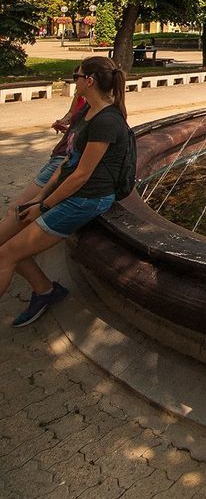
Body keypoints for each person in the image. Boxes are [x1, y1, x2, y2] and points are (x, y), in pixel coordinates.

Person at [1, 58, 131, 328]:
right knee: (8, 241)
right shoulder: (87, 114)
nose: (75, 81)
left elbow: (82, 175)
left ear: (90, 81)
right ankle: (46, 290)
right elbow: (65, 164)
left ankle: (46, 291)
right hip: (68, 193)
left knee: (6, 254)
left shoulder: (107, 120)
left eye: (77, 76)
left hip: (87, 199)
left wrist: (44, 206)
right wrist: (39, 199)